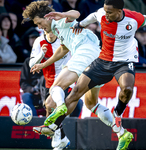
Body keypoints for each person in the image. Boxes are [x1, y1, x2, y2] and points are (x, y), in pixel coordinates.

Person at [34, 0, 146, 149]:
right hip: (102, 62)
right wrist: (81, 24)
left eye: (109, 12)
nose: (106, 14)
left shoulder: (134, 19)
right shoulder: (101, 14)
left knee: (127, 90)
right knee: (82, 97)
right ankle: (119, 133)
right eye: (105, 11)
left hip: (123, 61)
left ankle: (117, 114)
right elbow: (91, 17)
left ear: (119, 11)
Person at [22, 1, 107, 150]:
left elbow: (76, 14)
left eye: (39, 23)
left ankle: (59, 129)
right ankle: (60, 139)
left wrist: (63, 14)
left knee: (58, 99)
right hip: (91, 60)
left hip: (84, 56)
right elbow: (64, 48)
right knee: (52, 104)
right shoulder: (56, 29)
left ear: (47, 17)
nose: (39, 27)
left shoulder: (59, 20)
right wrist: (43, 64)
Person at [29, 30, 83, 149]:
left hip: (66, 78)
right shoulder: (39, 41)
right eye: (48, 30)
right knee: (49, 109)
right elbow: (31, 63)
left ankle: (58, 138)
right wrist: (41, 55)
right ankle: (62, 137)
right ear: (43, 29)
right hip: (49, 82)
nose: (51, 32)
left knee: (50, 104)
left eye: (53, 29)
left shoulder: (64, 39)